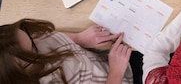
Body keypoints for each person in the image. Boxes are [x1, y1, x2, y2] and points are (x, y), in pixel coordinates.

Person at [0, 18, 140, 84]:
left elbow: (43, 38)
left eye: (27, 33)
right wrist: (115, 74)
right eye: (34, 49)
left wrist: (78, 39)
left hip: (107, 61)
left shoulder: (27, 41)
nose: (38, 41)